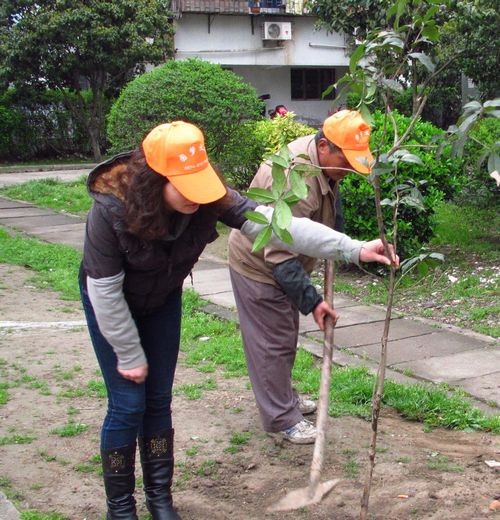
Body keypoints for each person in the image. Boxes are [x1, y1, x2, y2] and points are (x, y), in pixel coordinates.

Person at [79, 119, 396, 519]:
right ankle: (120, 508)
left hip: (160, 300)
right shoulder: (110, 211)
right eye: (185, 187)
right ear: (154, 181)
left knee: (158, 401)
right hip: (111, 305)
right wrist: (128, 352)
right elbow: (104, 290)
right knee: (128, 405)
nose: (197, 197)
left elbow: (279, 227)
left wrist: (353, 249)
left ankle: (160, 499)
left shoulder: (208, 196)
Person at [228, 110, 399, 445]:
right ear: (324, 146)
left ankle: (285, 399)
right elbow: (279, 254)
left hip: (285, 262)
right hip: (260, 266)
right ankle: (282, 418)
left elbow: (328, 212)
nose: (350, 170)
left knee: (284, 337)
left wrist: (343, 246)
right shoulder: (297, 179)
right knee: (272, 344)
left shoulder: (323, 165)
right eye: (346, 162)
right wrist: (313, 300)